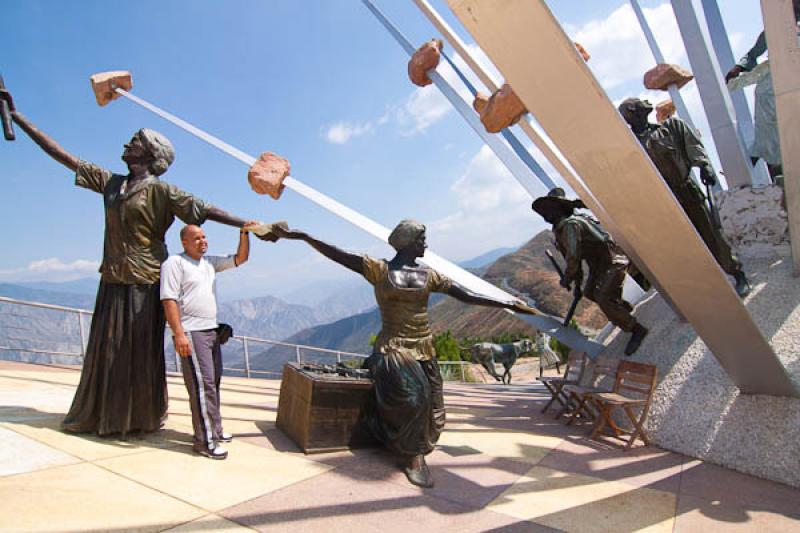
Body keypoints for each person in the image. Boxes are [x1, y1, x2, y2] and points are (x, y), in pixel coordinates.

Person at [0, 86, 277, 437]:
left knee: (136, 353)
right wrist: (19, 117)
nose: (125, 145)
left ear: (148, 154)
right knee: (109, 351)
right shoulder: (112, 184)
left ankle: (139, 417)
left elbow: (206, 210)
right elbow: (66, 158)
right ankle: (104, 415)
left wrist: (252, 226)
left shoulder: (163, 191)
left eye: (133, 141)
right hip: (113, 279)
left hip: (146, 283)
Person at [270, 220, 536, 488]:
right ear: (408, 242)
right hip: (393, 347)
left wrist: (506, 304)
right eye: (422, 240)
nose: (426, 245)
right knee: (415, 397)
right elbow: (337, 253)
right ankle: (413, 457)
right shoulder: (379, 269)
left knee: (434, 408)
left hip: (424, 347)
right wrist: (303, 235)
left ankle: (394, 435)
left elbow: (465, 295)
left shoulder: (429, 275)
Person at [618, 97, 751, 298]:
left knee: (711, 235)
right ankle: (708, 287)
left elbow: (693, 146)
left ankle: (736, 272)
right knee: (683, 246)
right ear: (632, 114)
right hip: (662, 202)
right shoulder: (630, 146)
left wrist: (704, 165)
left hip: (685, 191)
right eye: (637, 107)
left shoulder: (670, 128)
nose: (644, 106)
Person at [161, 223, 258, 459]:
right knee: (203, 388)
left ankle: (216, 430)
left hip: (211, 331)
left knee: (212, 385)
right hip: (192, 333)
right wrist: (179, 333)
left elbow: (240, 258)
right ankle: (205, 442)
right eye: (196, 238)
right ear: (184, 242)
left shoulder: (209, 264)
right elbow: (168, 299)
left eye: (204, 237)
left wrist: (244, 233)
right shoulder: (175, 263)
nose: (202, 241)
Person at [532, 188, 648, 356]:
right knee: (589, 292)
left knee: (603, 297)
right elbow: (574, 261)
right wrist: (577, 286)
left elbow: (574, 256)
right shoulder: (560, 230)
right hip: (598, 266)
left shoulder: (571, 225)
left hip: (612, 261)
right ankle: (622, 309)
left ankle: (636, 329)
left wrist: (567, 278)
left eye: (549, 209)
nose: (545, 213)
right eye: (544, 210)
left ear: (559, 208)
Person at [725, 0, 800, 181]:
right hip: (774, 82)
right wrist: (738, 68)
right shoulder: (776, 28)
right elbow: (753, 53)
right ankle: (768, 166)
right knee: (766, 128)